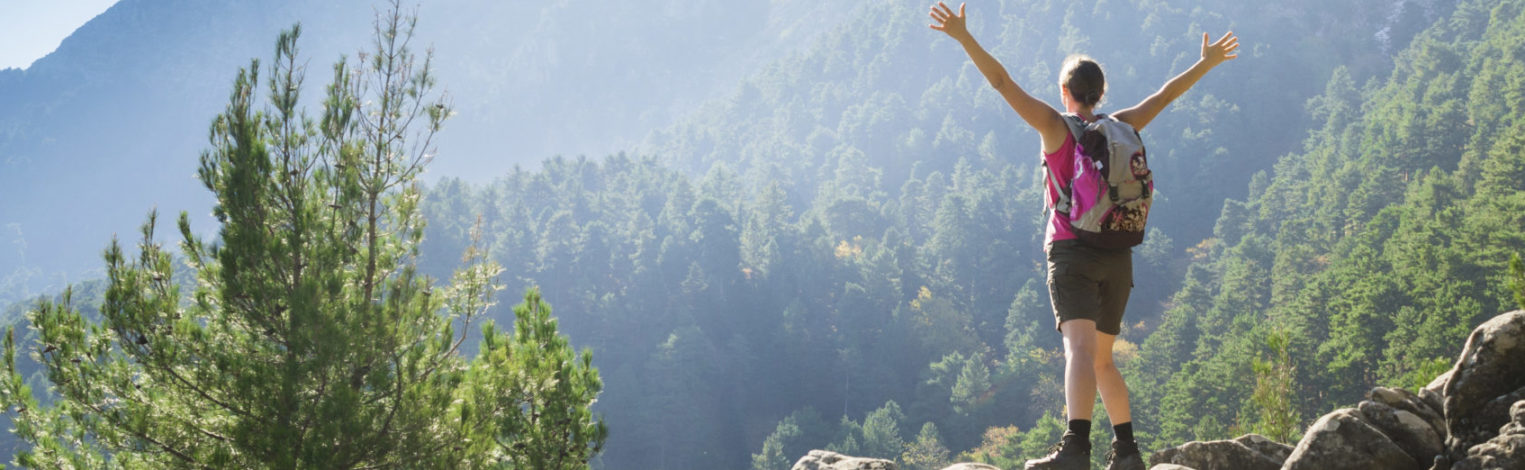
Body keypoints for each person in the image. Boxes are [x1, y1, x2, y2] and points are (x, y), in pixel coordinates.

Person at [928, 3, 1239, 469]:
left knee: (1078, 348)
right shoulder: (1123, 125)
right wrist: (1207, 62)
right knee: (1104, 360)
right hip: (1118, 253)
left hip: (1072, 251)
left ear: (1064, 91)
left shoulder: (1056, 127)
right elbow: (1165, 95)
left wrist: (964, 38)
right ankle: (1128, 452)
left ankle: (1075, 448)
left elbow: (1001, 83)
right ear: (1100, 92)